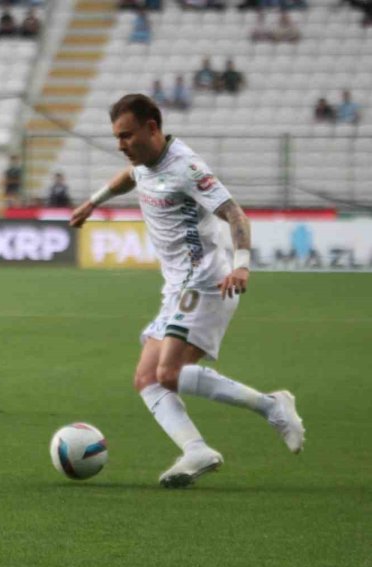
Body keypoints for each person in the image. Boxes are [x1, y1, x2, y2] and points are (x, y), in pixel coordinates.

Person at [69, 94, 304, 488]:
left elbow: (235, 214)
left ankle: (273, 407)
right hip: (176, 286)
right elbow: (129, 178)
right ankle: (195, 449)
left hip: (206, 281)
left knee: (169, 373)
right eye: (117, 137)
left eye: (126, 136)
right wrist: (93, 202)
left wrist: (242, 264)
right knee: (147, 379)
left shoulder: (187, 168)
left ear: (152, 127)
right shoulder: (142, 163)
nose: (120, 145)